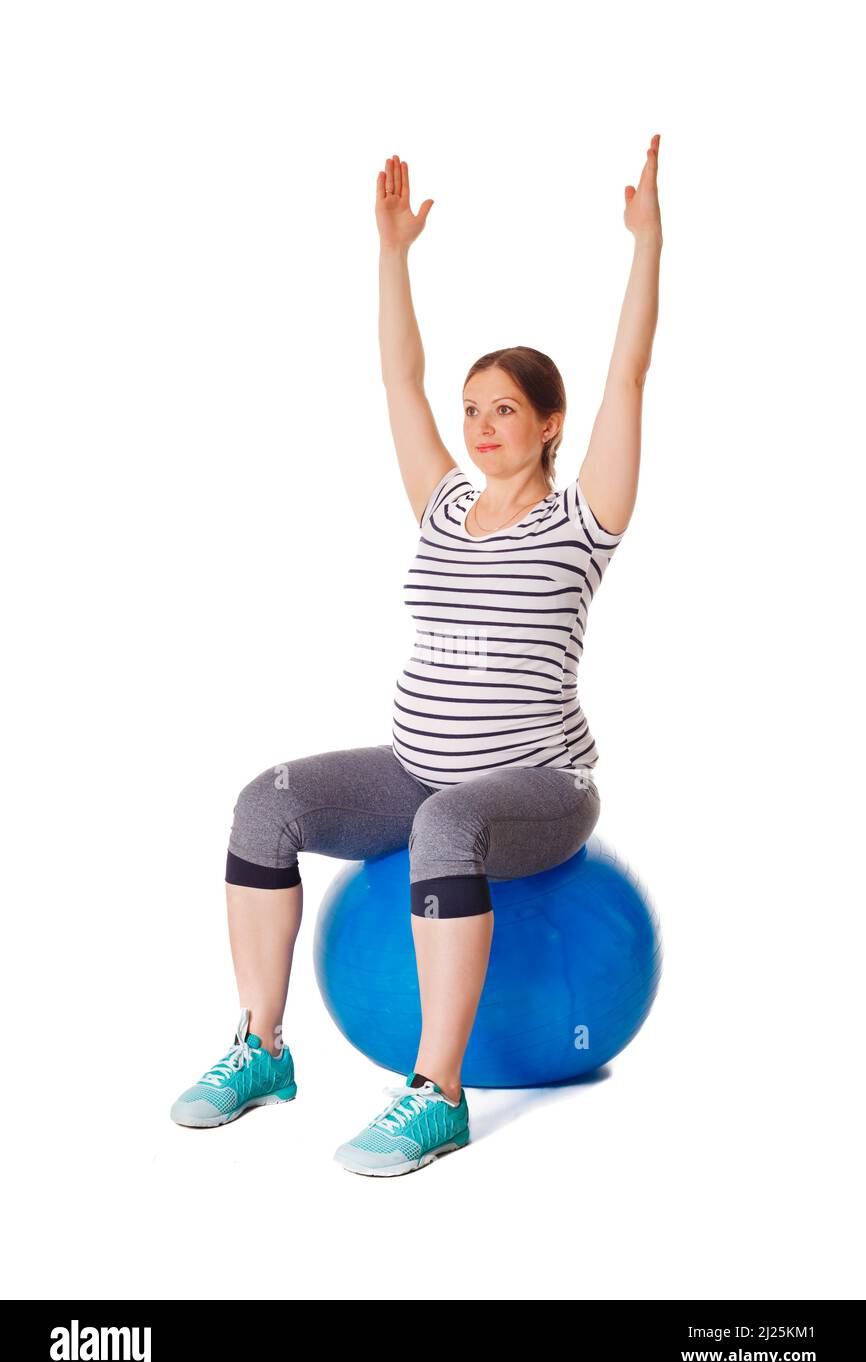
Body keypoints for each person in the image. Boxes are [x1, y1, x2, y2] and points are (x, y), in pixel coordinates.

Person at [170, 137, 663, 1177]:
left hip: (536, 787)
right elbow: (398, 372)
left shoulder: (582, 521)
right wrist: (392, 252)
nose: (480, 427)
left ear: (547, 425)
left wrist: (644, 243)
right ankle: (260, 1045)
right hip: (414, 766)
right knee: (267, 799)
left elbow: (627, 373)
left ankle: (434, 1095)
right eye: (472, 410)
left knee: (447, 823)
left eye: (504, 411)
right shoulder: (442, 503)